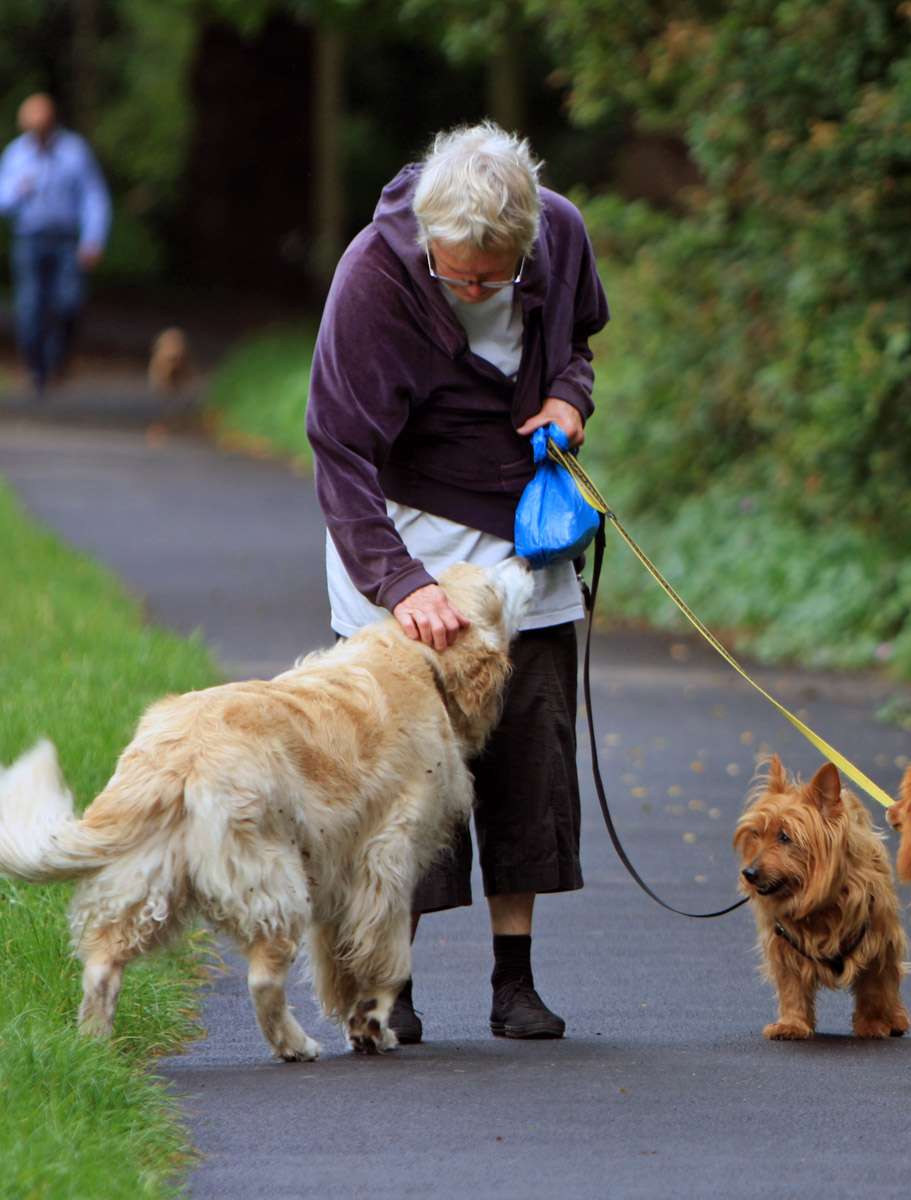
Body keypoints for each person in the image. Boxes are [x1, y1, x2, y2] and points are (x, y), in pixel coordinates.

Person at [307, 122, 609, 1042]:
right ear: (428, 239)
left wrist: (568, 400)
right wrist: (402, 586)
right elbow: (340, 450)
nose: (477, 290)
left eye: (495, 276)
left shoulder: (558, 231)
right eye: (460, 276)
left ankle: (514, 980)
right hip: (404, 534)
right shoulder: (372, 275)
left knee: (529, 745)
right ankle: (392, 986)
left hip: (525, 539)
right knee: (404, 775)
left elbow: (579, 348)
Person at [0, 93, 110, 395]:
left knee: (68, 301)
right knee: (30, 305)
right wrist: (17, 191)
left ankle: (58, 360)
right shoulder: (15, 154)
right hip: (28, 239)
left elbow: (94, 197)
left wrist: (93, 238)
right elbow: (2, 200)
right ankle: (36, 368)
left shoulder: (75, 151)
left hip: (65, 240)